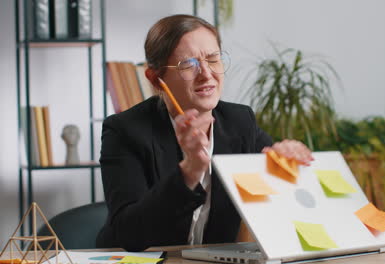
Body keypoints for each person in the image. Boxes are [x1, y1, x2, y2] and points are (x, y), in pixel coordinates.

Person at [96, 14, 313, 252]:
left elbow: (280, 203)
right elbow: (129, 234)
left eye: (213, 59)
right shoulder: (124, 130)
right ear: (156, 79)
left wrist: (286, 162)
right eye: (189, 65)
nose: (207, 74)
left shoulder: (240, 122)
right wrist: (189, 172)